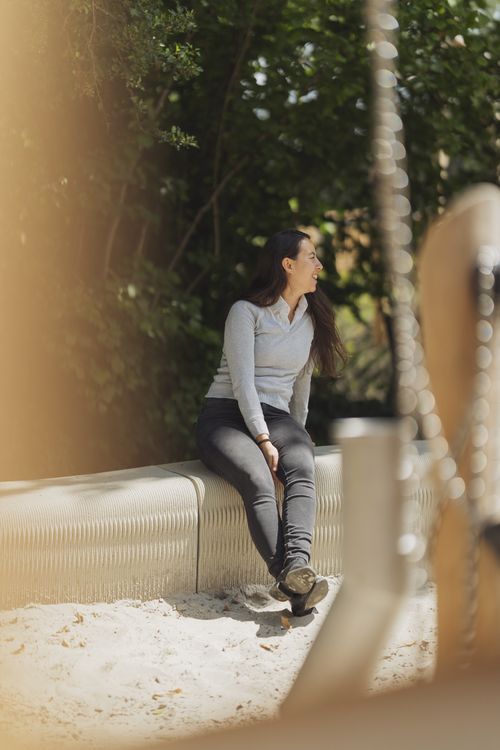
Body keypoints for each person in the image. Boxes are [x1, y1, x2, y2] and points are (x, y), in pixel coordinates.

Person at [196, 228, 346, 616]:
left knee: (301, 465)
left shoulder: (310, 320)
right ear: (288, 264)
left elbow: (301, 386)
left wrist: (296, 437)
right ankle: (292, 577)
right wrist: (264, 440)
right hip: (226, 414)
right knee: (260, 479)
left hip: (276, 416)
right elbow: (244, 383)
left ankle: (297, 568)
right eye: (311, 257)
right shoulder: (245, 313)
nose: (319, 265)